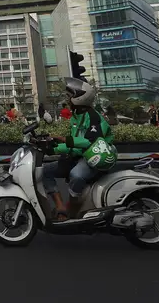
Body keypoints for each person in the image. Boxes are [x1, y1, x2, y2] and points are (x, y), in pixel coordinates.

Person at [42, 77, 115, 221]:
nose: (67, 100)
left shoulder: (94, 118)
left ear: (79, 99)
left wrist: (64, 140)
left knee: (76, 175)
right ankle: (60, 206)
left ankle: (72, 209)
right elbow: (74, 146)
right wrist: (53, 149)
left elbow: (91, 142)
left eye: (70, 96)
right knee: (45, 171)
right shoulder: (76, 117)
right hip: (82, 155)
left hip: (96, 157)